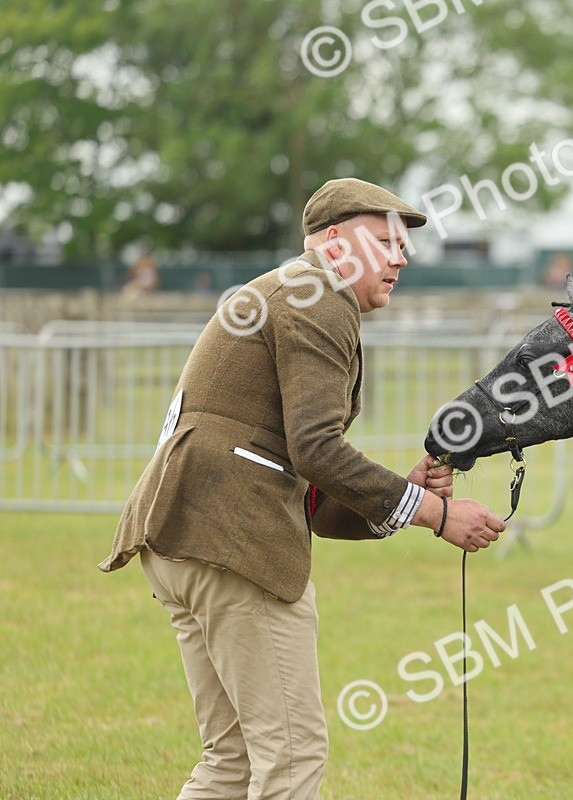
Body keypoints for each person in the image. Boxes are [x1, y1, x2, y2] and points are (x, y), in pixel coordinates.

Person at [99, 178, 507, 799]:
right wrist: (434, 512)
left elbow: (306, 483)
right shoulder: (317, 295)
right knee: (291, 756)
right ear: (333, 242)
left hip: (182, 535)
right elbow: (316, 449)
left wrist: (402, 495)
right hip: (234, 542)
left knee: (231, 761)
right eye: (384, 242)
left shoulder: (292, 290)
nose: (401, 258)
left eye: (403, 246)